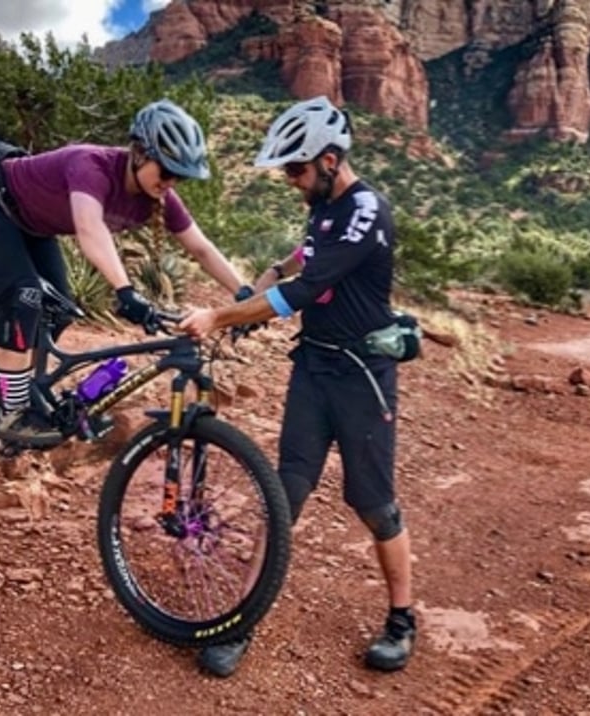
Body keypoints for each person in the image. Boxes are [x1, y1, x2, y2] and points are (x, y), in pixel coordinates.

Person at [178, 96, 417, 677]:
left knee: (374, 504)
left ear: (331, 160)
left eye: (296, 169)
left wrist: (221, 317)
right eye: (287, 170)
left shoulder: (366, 210)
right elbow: (302, 258)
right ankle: (243, 622)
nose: (290, 180)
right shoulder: (326, 206)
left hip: (362, 378)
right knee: (284, 495)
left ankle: (402, 620)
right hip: (315, 369)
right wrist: (261, 281)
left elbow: (302, 294)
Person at [0, 99, 251, 447]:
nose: (171, 183)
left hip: (30, 227)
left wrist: (243, 295)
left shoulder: (160, 198)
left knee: (59, 308)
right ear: (138, 153)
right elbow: (90, 228)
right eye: (166, 171)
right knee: (25, 296)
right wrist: (125, 291)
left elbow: (201, 248)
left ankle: (6, 385)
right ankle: (13, 413)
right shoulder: (91, 164)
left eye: (179, 177)